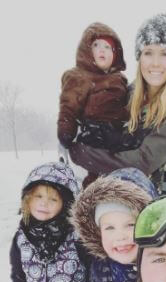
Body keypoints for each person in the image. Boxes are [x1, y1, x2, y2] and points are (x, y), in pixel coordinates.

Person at [68, 13, 166, 190]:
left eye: (164, 54)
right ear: (139, 57)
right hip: (107, 186)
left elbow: (142, 162)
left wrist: (83, 153)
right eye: (148, 53)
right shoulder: (129, 91)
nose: (155, 63)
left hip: (142, 194)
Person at [70, 167, 158, 282]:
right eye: (110, 228)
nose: (120, 236)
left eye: (130, 225)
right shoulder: (102, 268)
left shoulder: (162, 262)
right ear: (98, 233)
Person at [57, 22, 129, 187]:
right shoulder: (79, 76)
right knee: (96, 176)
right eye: (96, 45)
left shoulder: (120, 79)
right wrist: (66, 131)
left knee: (119, 175)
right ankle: (90, 200)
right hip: (94, 132)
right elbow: (69, 106)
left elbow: (128, 104)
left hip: (118, 133)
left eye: (107, 47)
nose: (102, 49)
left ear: (115, 54)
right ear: (87, 51)